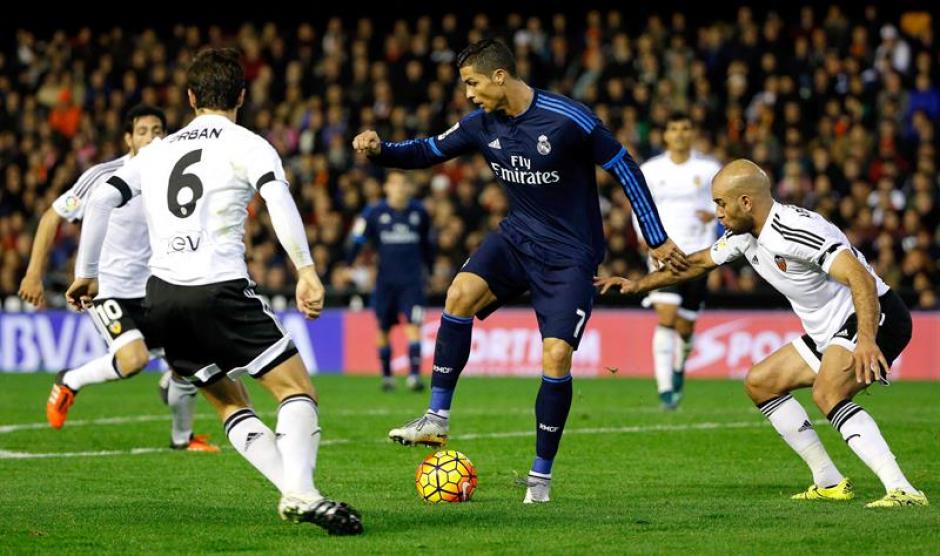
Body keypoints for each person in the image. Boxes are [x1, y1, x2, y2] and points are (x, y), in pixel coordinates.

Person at [353, 39, 686, 504]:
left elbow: (624, 167)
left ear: (500, 77)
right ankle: (436, 418)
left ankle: (540, 479)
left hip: (570, 255)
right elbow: (427, 150)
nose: (468, 94)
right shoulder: (479, 124)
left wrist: (656, 238)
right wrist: (381, 150)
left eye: (472, 84)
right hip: (516, 238)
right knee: (458, 295)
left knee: (555, 359)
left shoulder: (568, 119)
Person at [67, 48, 362, 534]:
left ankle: (297, 495)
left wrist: (87, 270)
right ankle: (302, 490)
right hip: (220, 289)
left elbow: (101, 198)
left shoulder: (156, 151)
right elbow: (277, 198)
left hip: (161, 298)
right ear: (241, 96)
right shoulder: (249, 144)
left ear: (189, 97)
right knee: (295, 389)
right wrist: (306, 269)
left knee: (230, 402)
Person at [596, 159, 928, 508]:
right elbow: (697, 263)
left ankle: (902, 490)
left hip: (876, 316)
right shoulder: (742, 236)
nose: (717, 212)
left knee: (827, 392)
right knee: (760, 382)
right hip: (828, 331)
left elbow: (859, 276)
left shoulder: (794, 231)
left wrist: (866, 340)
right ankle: (829, 482)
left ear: (746, 202)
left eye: (721, 203)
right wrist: (637, 285)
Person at [20, 104, 218, 452]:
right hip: (108, 290)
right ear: (128, 138)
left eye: (158, 130)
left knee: (192, 362)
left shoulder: (174, 177)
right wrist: (34, 274)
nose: (151, 137)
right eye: (143, 131)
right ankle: (70, 380)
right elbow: (52, 217)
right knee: (135, 360)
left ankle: (181, 439)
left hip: (157, 289)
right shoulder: (105, 176)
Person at [634, 112, 721, 409]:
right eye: (674, 128)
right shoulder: (651, 169)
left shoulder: (709, 169)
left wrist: (716, 213)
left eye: (685, 128)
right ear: (666, 136)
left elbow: (726, 201)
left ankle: (680, 365)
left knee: (685, 328)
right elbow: (639, 205)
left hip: (700, 253)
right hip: (664, 252)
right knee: (666, 317)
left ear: (693, 133)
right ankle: (665, 390)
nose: (680, 133)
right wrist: (644, 237)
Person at [347, 171, 432, 392]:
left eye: (404, 184)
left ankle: (414, 376)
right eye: (395, 184)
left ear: (410, 188)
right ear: (387, 187)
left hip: (412, 281)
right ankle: (387, 376)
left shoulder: (419, 212)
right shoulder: (374, 212)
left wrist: (429, 270)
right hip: (385, 281)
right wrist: (349, 261)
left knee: (414, 325)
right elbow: (358, 238)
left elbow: (427, 244)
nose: (400, 188)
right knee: (383, 328)